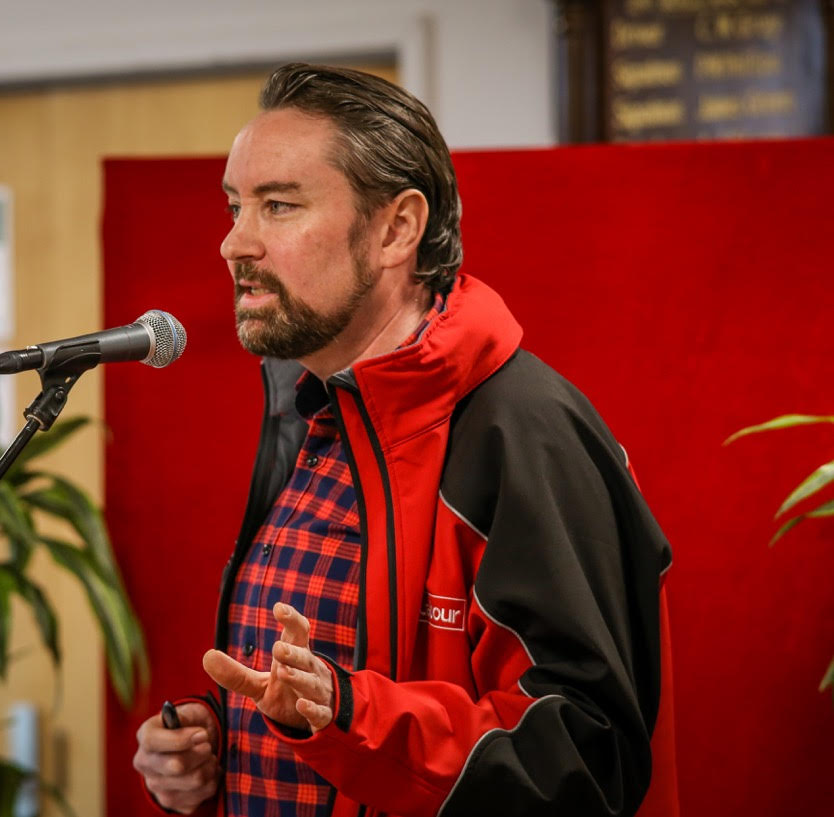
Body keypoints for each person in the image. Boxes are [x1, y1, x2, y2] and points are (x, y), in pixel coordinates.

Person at [133, 63, 678, 817]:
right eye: (234, 207)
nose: (234, 242)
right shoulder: (312, 412)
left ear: (396, 228)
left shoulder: (525, 431)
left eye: (279, 206)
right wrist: (216, 749)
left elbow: (586, 759)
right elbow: (331, 695)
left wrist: (351, 714)